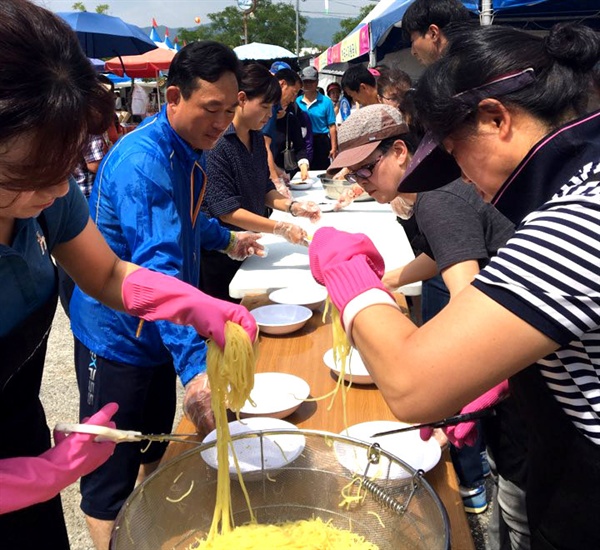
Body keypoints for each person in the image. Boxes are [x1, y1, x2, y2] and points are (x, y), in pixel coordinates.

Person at [309, 23, 600, 549]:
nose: (462, 178)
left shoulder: (581, 217)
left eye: (454, 152)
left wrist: (343, 270)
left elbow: (411, 383)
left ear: (495, 118)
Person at [0, 4, 258, 550]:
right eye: (28, 174)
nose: (55, 188)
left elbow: (112, 272)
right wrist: (24, 479)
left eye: (64, 165)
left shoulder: (49, 195)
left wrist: (191, 304)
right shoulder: (144, 163)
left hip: (16, 423)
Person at [68, 41, 263, 549]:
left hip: (158, 336)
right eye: (210, 109)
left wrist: (228, 239)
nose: (220, 122)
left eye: (229, 109)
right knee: (107, 475)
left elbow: (188, 223)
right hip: (118, 339)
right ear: (173, 96)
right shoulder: (143, 162)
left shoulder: (190, 151)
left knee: (156, 438)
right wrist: (196, 371)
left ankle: (148, 523)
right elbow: (161, 274)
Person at [202, 63, 320, 302]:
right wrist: (280, 227)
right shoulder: (218, 143)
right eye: (265, 107)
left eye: (273, 108)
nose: (269, 115)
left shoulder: (255, 138)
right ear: (242, 99)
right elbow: (226, 211)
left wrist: (293, 208)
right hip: (221, 252)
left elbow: (264, 186)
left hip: (252, 246)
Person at [263, 68, 311, 186]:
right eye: (293, 93)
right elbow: (264, 146)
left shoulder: (290, 116)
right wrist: (276, 182)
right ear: (282, 84)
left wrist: (278, 172)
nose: (293, 99)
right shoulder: (272, 107)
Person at [401, 0, 473, 66]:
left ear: (433, 33)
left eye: (413, 40)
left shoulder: (459, 76)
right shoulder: (478, 63)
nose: (413, 52)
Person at [296, 65, 337, 170]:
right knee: (303, 171)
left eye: (311, 81)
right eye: (305, 81)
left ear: (317, 82)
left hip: (321, 142)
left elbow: (332, 126)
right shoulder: (296, 102)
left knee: (321, 171)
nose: (308, 84)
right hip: (302, 141)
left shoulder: (326, 102)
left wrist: (334, 147)